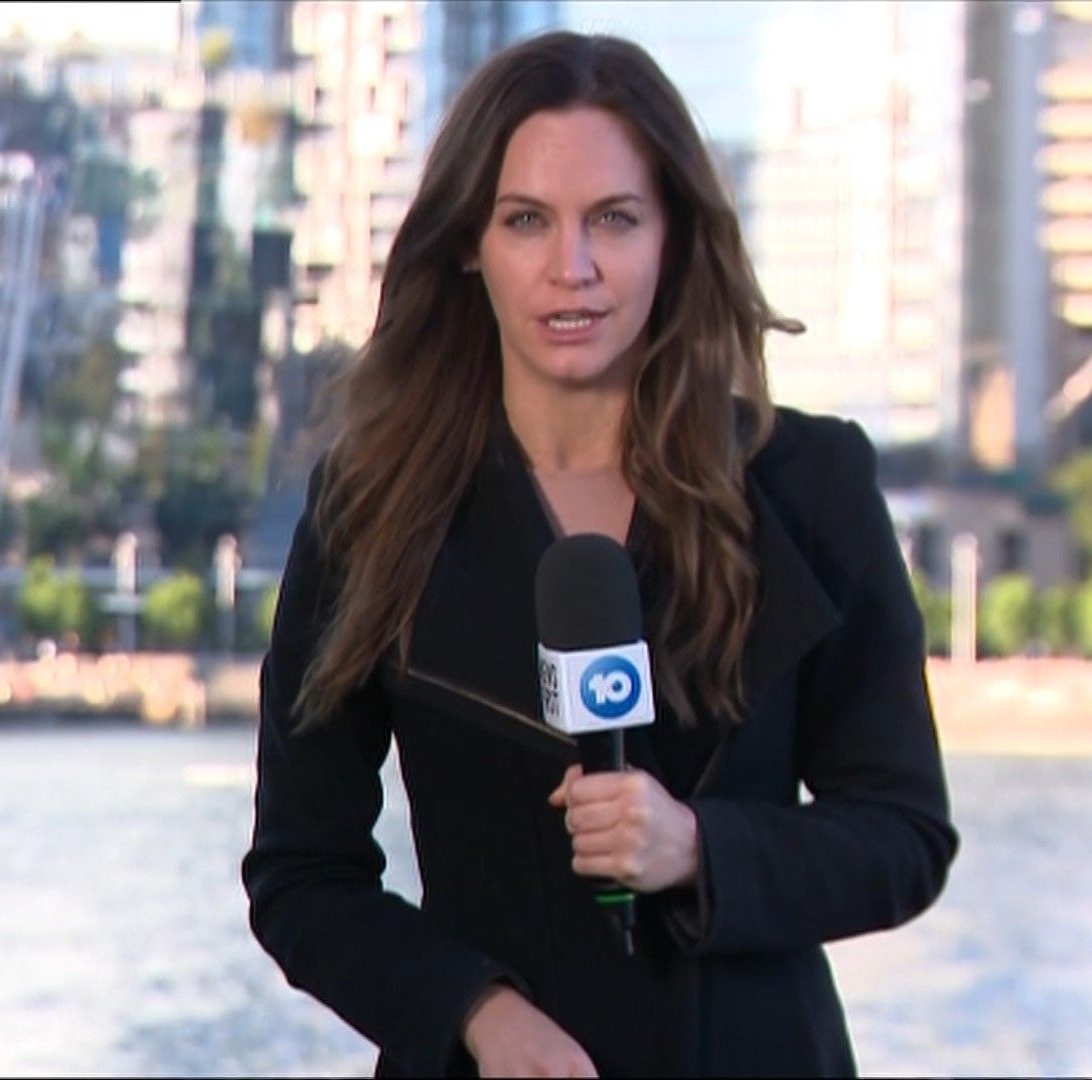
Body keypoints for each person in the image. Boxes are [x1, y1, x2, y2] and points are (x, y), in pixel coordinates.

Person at [241, 30, 959, 1078]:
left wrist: (700, 849)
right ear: (468, 243)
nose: (570, 268)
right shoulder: (370, 510)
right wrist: (475, 1011)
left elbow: (903, 838)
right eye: (527, 220)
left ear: (673, 237)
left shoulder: (808, 488)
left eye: (614, 219)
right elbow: (300, 876)